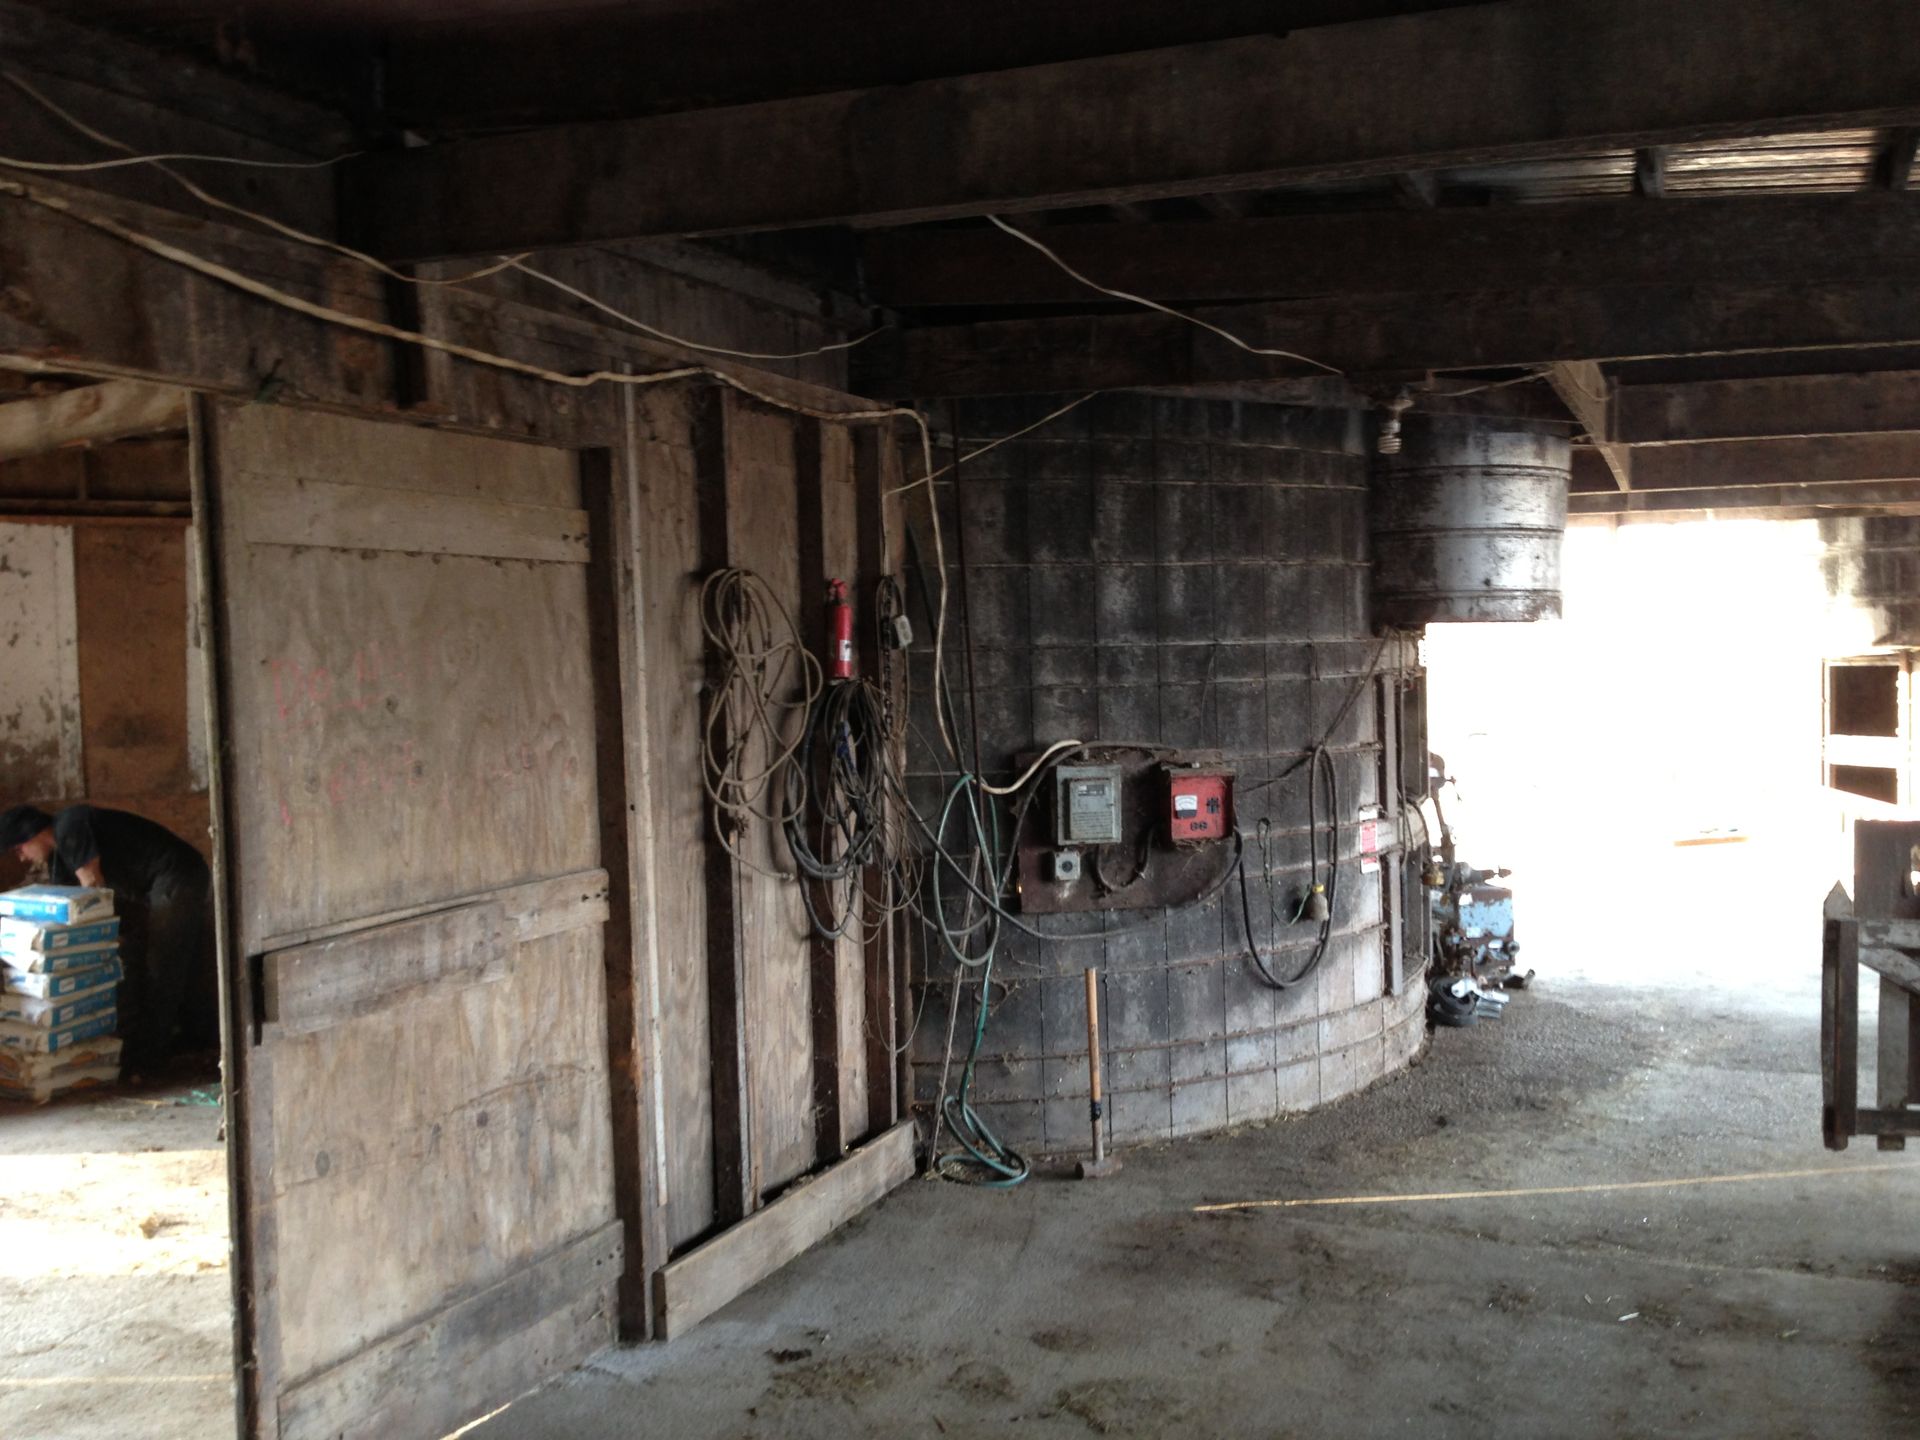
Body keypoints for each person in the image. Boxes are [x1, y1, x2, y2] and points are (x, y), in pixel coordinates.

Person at [0, 803, 216, 1076]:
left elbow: (91, 888)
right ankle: (191, 1039)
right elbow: (62, 909)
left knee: (163, 965)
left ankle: (147, 1060)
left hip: (177, 873)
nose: (21, 858)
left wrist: (101, 941)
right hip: (155, 886)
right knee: (167, 958)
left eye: (19, 848)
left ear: (31, 833)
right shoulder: (60, 860)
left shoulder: (69, 825)